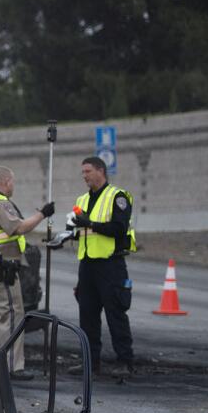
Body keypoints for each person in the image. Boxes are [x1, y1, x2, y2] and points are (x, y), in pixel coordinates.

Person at [0, 167, 54, 377]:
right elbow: (19, 228)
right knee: (12, 313)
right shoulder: (0, 203)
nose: (13, 186)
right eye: (12, 182)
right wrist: (43, 214)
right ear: (6, 181)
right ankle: (13, 366)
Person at [72, 156, 137, 375]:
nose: (84, 176)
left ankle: (124, 361)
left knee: (115, 313)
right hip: (88, 265)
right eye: (83, 172)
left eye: (88, 171)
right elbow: (79, 231)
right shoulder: (82, 200)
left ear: (101, 171)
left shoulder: (117, 197)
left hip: (110, 264)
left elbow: (119, 228)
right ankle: (91, 363)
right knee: (87, 316)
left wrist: (90, 223)